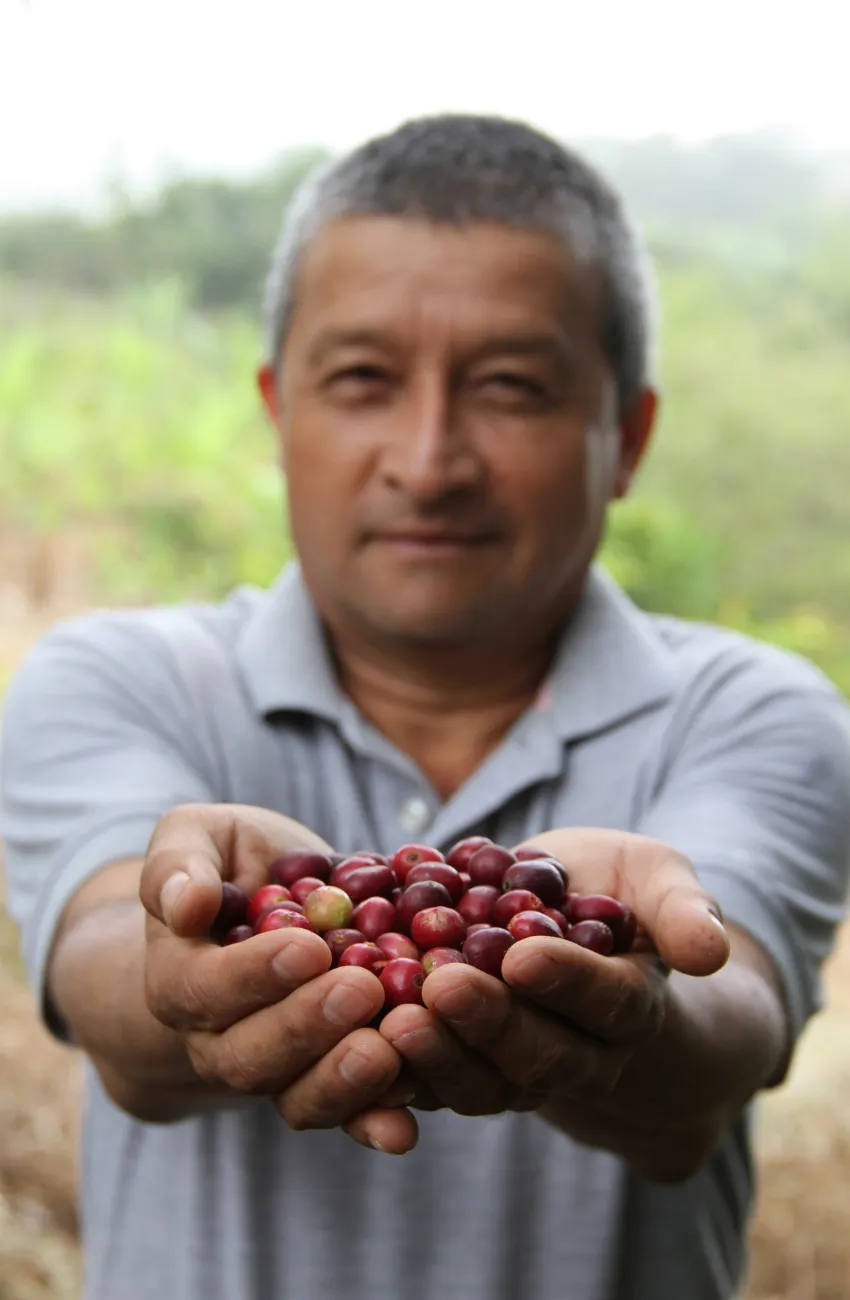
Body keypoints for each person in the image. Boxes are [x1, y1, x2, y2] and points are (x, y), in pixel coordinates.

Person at [2, 113, 849, 1300]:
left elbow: (723, 1038)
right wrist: (175, 957)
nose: (428, 458)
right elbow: (113, 979)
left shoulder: (751, 709)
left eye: (509, 387)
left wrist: (641, 1020)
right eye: (362, 380)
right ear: (278, 412)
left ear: (626, 436)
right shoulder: (116, 677)